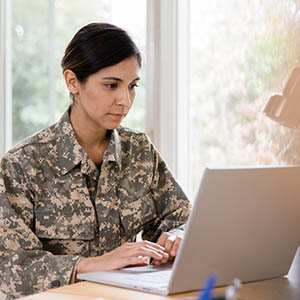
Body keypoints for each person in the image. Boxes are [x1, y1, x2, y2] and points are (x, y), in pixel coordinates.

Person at [0, 23, 190, 299]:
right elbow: (8, 268)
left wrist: (179, 238)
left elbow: (183, 220)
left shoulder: (139, 150)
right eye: (111, 85)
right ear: (72, 81)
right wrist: (91, 266)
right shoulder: (22, 165)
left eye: (132, 86)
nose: (125, 100)